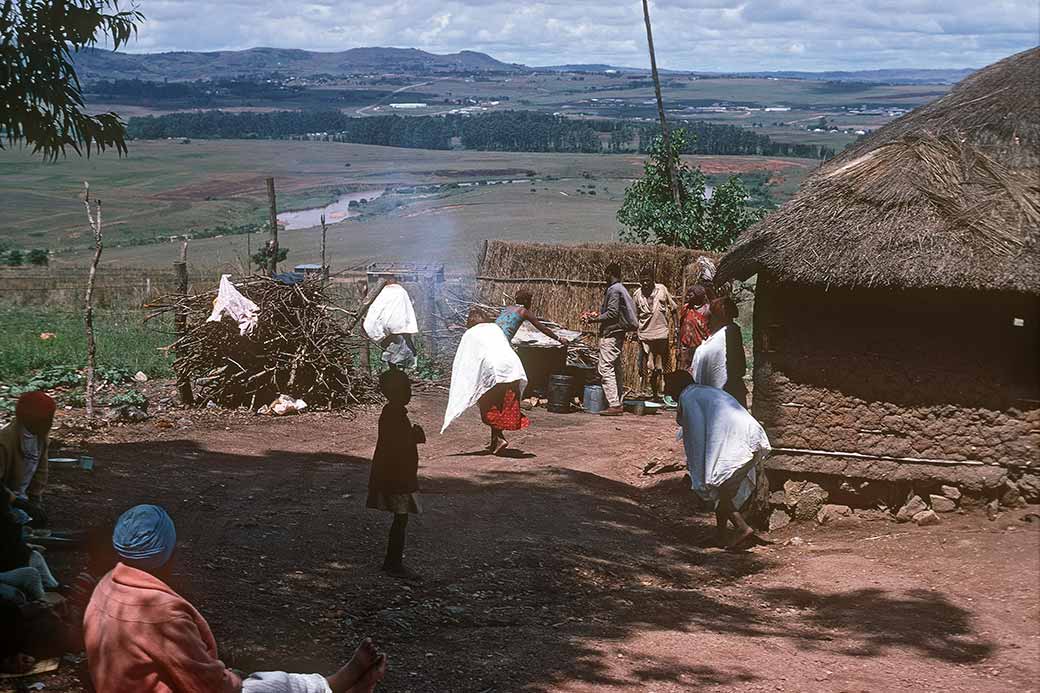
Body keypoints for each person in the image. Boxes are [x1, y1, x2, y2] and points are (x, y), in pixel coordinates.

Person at [84, 504, 388, 693]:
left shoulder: (105, 587)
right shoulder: (162, 614)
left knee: (251, 680)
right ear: (168, 555)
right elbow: (209, 688)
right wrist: (231, 680)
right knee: (271, 686)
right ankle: (334, 685)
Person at [664, 371, 770, 551]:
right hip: (750, 437)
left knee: (717, 485)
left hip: (738, 441)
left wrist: (700, 469)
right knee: (724, 489)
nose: (666, 391)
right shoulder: (701, 392)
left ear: (676, 386)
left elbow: (696, 435)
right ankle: (721, 535)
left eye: (668, 386)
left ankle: (742, 528)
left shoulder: (689, 397)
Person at [368, 369, 425, 581]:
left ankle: (392, 562)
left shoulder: (392, 412)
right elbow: (396, 446)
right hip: (397, 476)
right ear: (396, 392)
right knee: (400, 519)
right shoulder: (394, 414)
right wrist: (415, 437)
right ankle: (393, 563)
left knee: (401, 519)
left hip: (395, 474)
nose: (410, 393)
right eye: (406, 389)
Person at [441, 321, 528, 454]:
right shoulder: (495, 328)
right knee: (502, 405)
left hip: (492, 369)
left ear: (470, 323)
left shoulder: (471, 333)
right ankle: (495, 441)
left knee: (489, 407)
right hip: (511, 367)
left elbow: (467, 359)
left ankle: (499, 438)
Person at [583, 263, 638, 417]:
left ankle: (614, 404)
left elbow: (612, 313)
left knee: (605, 367)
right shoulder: (621, 289)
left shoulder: (614, 290)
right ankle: (617, 401)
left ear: (610, 273)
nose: (604, 278)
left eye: (606, 274)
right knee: (615, 367)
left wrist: (594, 320)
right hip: (617, 333)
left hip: (611, 333)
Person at [0, 391, 56, 528]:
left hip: (20, 499)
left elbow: (40, 474)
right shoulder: (5, 442)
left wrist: (35, 502)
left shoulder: (40, 439)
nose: (49, 422)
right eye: (45, 419)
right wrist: (18, 503)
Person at [690, 296, 748, 408]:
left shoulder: (730, 332)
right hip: (713, 392)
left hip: (726, 393)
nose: (708, 319)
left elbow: (738, 366)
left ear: (719, 316)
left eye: (711, 316)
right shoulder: (716, 334)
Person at [632, 269, 677, 401]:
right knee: (647, 367)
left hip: (661, 334)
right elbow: (634, 315)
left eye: (648, 280)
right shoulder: (637, 295)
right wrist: (634, 331)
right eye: (643, 280)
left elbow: (673, 309)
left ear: (653, 279)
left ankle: (667, 393)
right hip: (645, 335)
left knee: (664, 365)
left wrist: (676, 328)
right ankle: (652, 393)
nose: (645, 283)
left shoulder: (662, 289)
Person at [363, 275, 419, 370]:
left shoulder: (387, 293)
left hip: (390, 331)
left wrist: (377, 332)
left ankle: (395, 376)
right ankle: (398, 376)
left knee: (394, 356)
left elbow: (375, 313)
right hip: (399, 329)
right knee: (400, 357)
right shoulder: (400, 292)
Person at [677, 285, 711, 371]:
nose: (687, 296)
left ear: (698, 296)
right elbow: (680, 327)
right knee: (685, 372)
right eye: (687, 294)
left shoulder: (707, 309)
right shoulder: (686, 308)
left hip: (702, 346)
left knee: (699, 370)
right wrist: (678, 346)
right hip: (686, 347)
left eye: (690, 295)